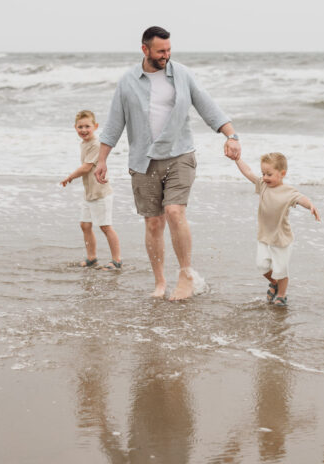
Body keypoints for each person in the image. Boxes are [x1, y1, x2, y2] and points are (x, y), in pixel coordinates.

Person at [94, 26, 241, 300]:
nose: (166, 55)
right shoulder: (127, 81)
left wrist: (231, 135)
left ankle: (185, 275)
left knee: (175, 212)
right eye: (161, 51)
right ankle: (160, 282)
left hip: (180, 155)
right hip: (144, 161)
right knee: (153, 224)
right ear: (145, 49)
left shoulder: (182, 74)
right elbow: (115, 123)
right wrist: (101, 159)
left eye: (169, 50)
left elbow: (208, 106)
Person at [233, 152, 320, 307]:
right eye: (263, 173)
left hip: (281, 238)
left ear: (282, 174)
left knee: (281, 270)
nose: (265, 177)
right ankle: (274, 283)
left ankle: (281, 294)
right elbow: (248, 172)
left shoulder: (288, 191)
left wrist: (311, 206)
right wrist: (237, 159)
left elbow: (301, 199)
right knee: (262, 265)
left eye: (269, 174)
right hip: (264, 236)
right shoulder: (263, 185)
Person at [61, 110, 122, 270]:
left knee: (105, 226)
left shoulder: (96, 144)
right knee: (85, 225)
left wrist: (70, 177)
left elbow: (86, 167)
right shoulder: (84, 143)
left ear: (95, 126)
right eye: (80, 127)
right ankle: (92, 258)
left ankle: (116, 260)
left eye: (87, 126)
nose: (83, 130)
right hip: (89, 194)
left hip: (101, 193)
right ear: (75, 128)